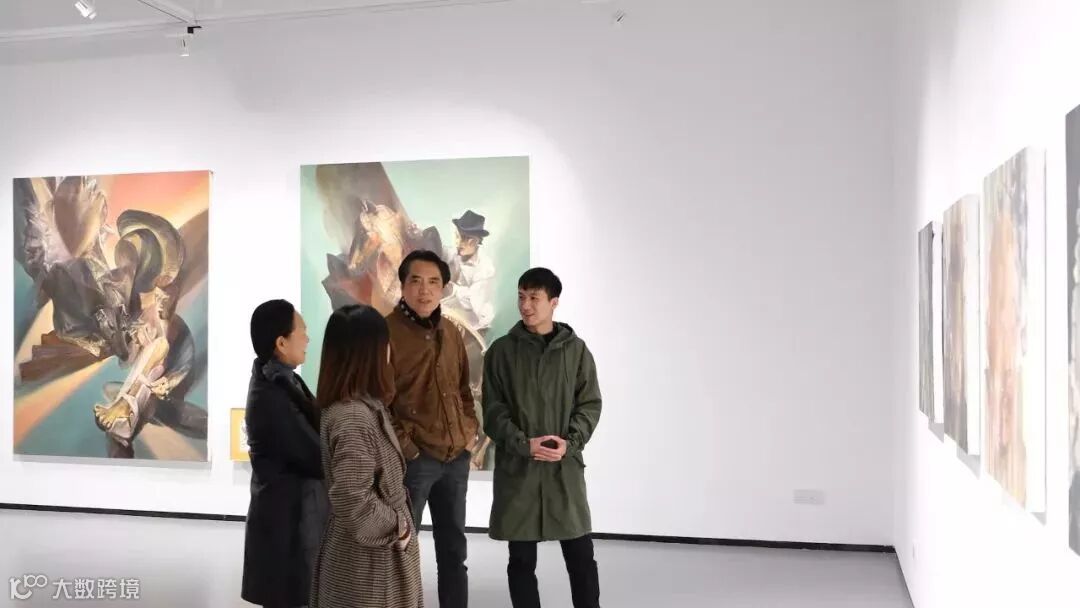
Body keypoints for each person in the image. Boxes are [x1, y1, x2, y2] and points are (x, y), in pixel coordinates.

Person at [483, 268, 603, 608]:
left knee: (581, 557)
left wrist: (571, 443)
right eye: (521, 297)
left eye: (534, 298)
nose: (526, 305)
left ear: (554, 302)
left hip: (563, 470)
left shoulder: (576, 351)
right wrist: (524, 444)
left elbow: (589, 404)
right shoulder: (501, 352)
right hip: (519, 470)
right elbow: (492, 410)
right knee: (521, 561)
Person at [310, 304, 423, 608]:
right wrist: (398, 526)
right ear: (371, 352)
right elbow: (352, 497)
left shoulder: (360, 408)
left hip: (369, 559)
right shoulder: (353, 417)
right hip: (368, 567)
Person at [387, 249, 479, 608]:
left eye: (433, 282)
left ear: (443, 288)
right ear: (402, 285)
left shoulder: (452, 332)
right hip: (414, 462)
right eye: (416, 281)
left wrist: (468, 432)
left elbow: (463, 391)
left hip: (455, 458)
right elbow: (379, 403)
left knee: (454, 551)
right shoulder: (385, 333)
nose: (424, 290)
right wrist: (408, 449)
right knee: (400, 550)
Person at [242, 299, 328, 608]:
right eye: (301, 331)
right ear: (281, 342)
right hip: (287, 527)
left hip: (293, 521)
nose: (307, 338)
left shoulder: (281, 380)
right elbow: (317, 456)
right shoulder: (273, 395)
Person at [442, 210, 496, 335]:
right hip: (450, 310)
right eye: (458, 236)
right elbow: (441, 251)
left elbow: (472, 302)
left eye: (466, 239)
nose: (459, 242)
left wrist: (453, 288)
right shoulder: (457, 252)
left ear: (476, 241)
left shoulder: (485, 269)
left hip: (473, 325)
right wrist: (418, 235)